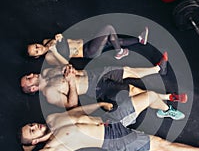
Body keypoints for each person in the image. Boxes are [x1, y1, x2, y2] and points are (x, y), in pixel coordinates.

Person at [19, 91, 199, 151]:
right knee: (161, 144)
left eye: (30, 125)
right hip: (114, 138)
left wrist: (99, 103)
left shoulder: (53, 118)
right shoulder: (54, 146)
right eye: (32, 131)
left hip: (109, 119)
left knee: (148, 96)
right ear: (34, 141)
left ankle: (166, 111)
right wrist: (26, 150)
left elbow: (77, 110)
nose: (34, 126)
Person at [20, 54, 187, 119]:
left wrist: (68, 68)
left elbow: (68, 66)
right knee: (134, 91)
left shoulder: (48, 71)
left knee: (126, 71)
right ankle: (166, 104)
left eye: (29, 75)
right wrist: (71, 82)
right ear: (33, 89)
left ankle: (157, 69)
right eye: (29, 79)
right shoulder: (49, 93)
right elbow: (71, 105)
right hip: (96, 89)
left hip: (92, 74)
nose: (31, 75)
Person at [27, 25, 149, 65]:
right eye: (36, 51)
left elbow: (57, 41)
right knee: (108, 28)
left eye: (36, 46)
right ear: (37, 56)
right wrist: (53, 51)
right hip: (88, 51)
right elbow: (65, 63)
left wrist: (56, 40)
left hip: (87, 41)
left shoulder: (45, 42)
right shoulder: (49, 58)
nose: (39, 48)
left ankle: (139, 40)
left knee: (114, 40)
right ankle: (119, 52)